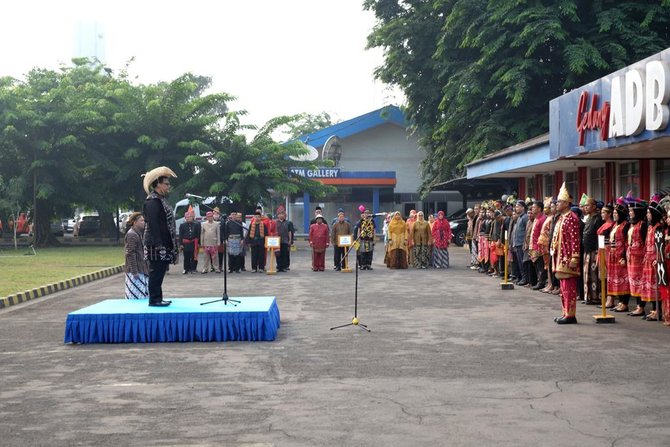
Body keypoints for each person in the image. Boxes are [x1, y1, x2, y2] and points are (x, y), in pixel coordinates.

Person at [142, 166, 178, 307]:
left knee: (160, 271)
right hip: (155, 243)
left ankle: (158, 298)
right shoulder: (152, 202)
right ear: (158, 184)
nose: (168, 186)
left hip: (163, 242)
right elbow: (153, 225)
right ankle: (154, 300)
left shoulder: (160, 200)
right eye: (166, 184)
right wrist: (159, 244)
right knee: (156, 272)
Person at [550, 183, 581, 324]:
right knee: (563, 289)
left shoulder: (572, 218)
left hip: (568, 258)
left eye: (559, 202)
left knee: (569, 288)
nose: (557, 204)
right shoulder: (561, 217)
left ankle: (570, 314)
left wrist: (575, 257)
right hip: (559, 258)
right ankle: (565, 312)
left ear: (566, 203)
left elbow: (575, 239)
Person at [641, 194, 664, 321]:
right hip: (648, 260)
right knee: (650, 286)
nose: (648, 215)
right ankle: (653, 309)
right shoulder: (650, 227)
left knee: (656, 286)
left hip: (655, 260)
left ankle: (658, 310)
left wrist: (657, 259)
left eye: (650, 213)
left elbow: (660, 245)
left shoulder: (658, 228)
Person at [579, 195, 604, 304]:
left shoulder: (598, 219)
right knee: (587, 274)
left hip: (594, 250)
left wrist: (599, 250)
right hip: (587, 250)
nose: (586, 208)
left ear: (594, 206)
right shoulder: (588, 218)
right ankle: (588, 296)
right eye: (585, 206)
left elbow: (600, 235)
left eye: (588, 205)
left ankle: (595, 297)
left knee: (594, 275)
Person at [626, 195, 648, 317]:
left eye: (631, 211)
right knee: (634, 282)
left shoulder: (642, 225)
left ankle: (641, 307)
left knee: (640, 283)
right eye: (629, 211)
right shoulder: (632, 224)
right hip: (631, 258)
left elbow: (645, 242)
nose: (630, 213)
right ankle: (638, 306)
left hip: (639, 258)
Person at [609, 199, 632, 312]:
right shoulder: (614, 225)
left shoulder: (625, 225)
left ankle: (625, 303)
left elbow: (626, 243)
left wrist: (623, 256)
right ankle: (620, 302)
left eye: (616, 213)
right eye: (613, 213)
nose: (614, 215)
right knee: (616, 279)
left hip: (621, 256)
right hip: (613, 256)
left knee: (624, 280)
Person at [124, 212, 149, 299]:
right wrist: (134, 271)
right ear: (134, 222)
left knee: (143, 295)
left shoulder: (138, 234)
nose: (144, 222)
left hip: (141, 269)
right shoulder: (132, 235)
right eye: (141, 221)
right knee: (135, 297)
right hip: (135, 271)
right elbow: (130, 254)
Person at [597, 203, 615, 307]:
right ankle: (605, 298)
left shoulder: (611, 225)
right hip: (601, 250)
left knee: (608, 275)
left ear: (609, 214)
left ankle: (610, 299)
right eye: (602, 212)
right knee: (603, 276)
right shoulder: (603, 225)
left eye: (604, 212)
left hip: (607, 251)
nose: (602, 214)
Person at [179, 208, 200, 274]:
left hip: (194, 243)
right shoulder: (182, 225)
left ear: (192, 217)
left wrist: (199, 243)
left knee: (193, 256)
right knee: (186, 257)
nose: (188, 218)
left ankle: (193, 269)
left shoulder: (196, 224)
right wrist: (181, 244)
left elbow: (198, 234)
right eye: (187, 217)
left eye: (190, 217)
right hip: (186, 243)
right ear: (185, 218)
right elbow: (180, 236)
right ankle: (186, 269)